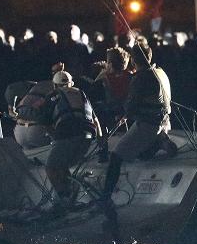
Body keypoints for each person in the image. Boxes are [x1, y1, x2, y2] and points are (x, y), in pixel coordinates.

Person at [101, 43, 176, 202]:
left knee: (116, 156)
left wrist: (121, 113)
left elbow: (131, 106)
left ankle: (105, 197)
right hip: (165, 121)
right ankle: (159, 141)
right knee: (140, 155)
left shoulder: (141, 78)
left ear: (134, 61)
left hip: (148, 124)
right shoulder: (160, 72)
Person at [42, 70, 97, 205]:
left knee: (51, 167)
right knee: (63, 165)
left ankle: (64, 199)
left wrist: (56, 139)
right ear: (72, 83)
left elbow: (45, 123)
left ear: (54, 86)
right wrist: (100, 140)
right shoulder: (81, 93)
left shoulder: (53, 95)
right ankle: (71, 197)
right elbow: (95, 120)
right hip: (88, 136)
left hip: (67, 133)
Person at [9, 62, 65, 149]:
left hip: (19, 132)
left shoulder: (36, 85)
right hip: (38, 131)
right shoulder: (60, 90)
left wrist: (10, 107)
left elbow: (11, 89)